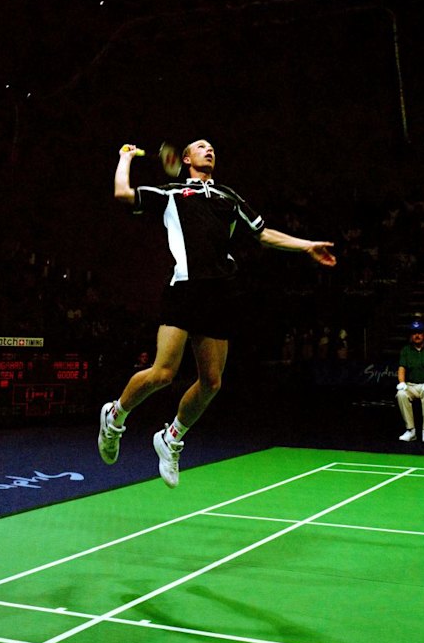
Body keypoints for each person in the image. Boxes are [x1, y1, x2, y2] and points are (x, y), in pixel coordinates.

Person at [98, 139, 336, 486]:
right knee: (163, 373)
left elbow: (263, 233)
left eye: (211, 148)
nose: (209, 150)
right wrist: (125, 158)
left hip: (219, 293)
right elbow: (122, 193)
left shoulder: (229, 196)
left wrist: (307, 246)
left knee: (211, 382)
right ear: (186, 158)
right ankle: (115, 415)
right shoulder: (171, 193)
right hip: (184, 288)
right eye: (200, 147)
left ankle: (171, 438)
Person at [396, 318, 424, 445]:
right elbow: (401, 368)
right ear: (411, 335)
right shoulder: (406, 350)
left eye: (420, 333)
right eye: (414, 333)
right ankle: (411, 430)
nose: (417, 335)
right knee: (401, 394)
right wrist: (401, 382)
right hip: (411, 385)